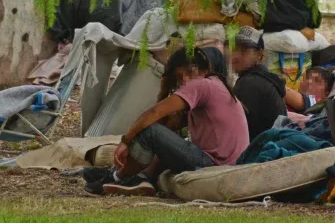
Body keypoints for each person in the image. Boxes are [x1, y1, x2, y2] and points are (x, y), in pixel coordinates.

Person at [84, 47, 249, 196]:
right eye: (179, 77)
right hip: (224, 163)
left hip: (214, 165)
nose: (185, 80)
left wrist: (125, 141)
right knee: (162, 136)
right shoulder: (215, 86)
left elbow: (154, 114)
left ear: (203, 70)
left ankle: (117, 177)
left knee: (151, 132)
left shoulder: (201, 85)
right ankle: (142, 178)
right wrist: (164, 91)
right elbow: (169, 125)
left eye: (189, 72)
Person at [230, 26, 287, 140]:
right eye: (234, 49)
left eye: (244, 50)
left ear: (260, 55)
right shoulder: (262, 79)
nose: (236, 56)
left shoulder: (249, 84)